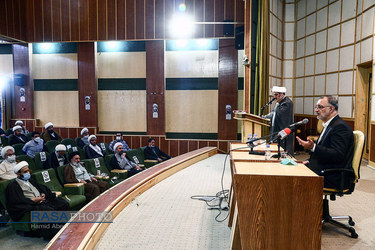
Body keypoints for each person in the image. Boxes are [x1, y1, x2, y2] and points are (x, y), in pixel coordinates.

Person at [296, 95, 354, 188]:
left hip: (333, 175)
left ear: (331, 109)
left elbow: (337, 154)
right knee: (293, 170)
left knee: (293, 179)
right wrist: (309, 161)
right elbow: (325, 151)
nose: (316, 110)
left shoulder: (340, 127)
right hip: (324, 168)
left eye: (320, 107)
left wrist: (313, 147)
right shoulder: (330, 124)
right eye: (316, 107)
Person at [5, 161, 69, 239]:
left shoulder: (30, 180)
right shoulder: (13, 186)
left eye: (28, 170)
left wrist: (43, 194)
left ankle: (64, 227)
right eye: (25, 172)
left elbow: (42, 188)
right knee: (47, 210)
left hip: (41, 201)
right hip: (30, 204)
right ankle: (51, 235)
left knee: (62, 203)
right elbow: (16, 201)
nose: (28, 173)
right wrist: (33, 201)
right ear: (18, 174)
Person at [264, 86, 294, 155]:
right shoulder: (280, 103)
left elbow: (279, 115)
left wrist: (275, 109)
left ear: (282, 94)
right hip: (276, 129)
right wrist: (264, 117)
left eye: (276, 95)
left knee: (283, 150)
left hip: (283, 130)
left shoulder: (287, 103)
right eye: (274, 95)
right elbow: (274, 113)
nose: (274, 97)